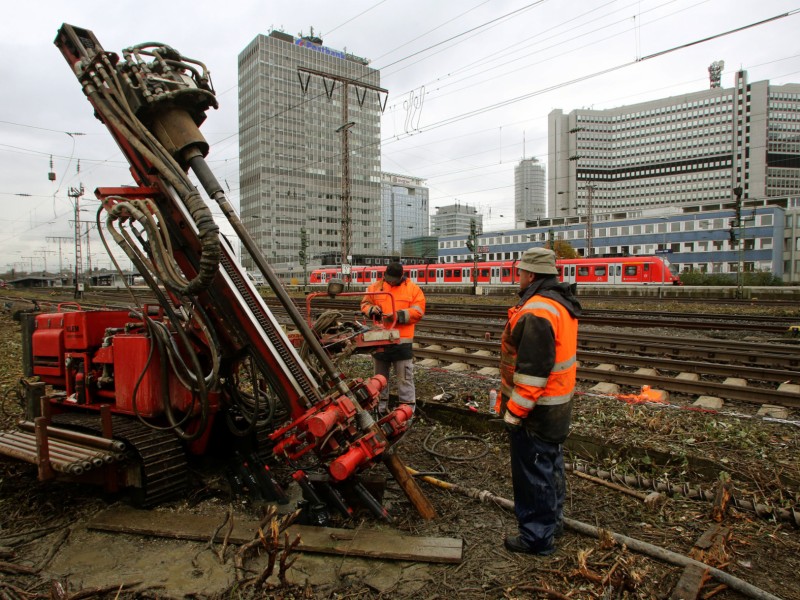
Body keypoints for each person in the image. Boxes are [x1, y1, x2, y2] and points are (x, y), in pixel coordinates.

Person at [496, 247, 581, 556]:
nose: (517, 277)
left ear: (530, 275)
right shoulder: (560, 303)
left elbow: (533, 372)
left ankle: (536, 538)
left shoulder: (537, 311)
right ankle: (553, 522)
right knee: (549, 466)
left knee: (533, 474)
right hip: (557, 406)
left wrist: (514, 413)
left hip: (537, 410)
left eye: (520, 272)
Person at [361, 261, 426, 415]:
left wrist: (397, 316)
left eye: (393, 280)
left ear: (401, 277)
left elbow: (418, 312)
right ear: (384, 275)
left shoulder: (413, 289)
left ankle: (407, 411)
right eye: (388, 279)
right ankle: (380, 410)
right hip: (380, 340)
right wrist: (371, 310)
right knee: (379, 380)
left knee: (405, 379)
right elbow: (364, 304)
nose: (390, 282)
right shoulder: (375, 287)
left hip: (401, 343)